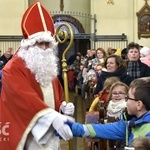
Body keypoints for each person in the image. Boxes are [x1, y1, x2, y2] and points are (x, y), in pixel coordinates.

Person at [0, 2, 75, 150]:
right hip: (28, 136)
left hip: (50, 134)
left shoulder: (46, 66)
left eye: (48, 43)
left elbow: (54, 96)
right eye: (40, 43)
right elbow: (25, 100)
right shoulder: (13, 68)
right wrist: (53, 117)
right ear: (28, 44)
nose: (44, 48)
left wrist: (62, 107)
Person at [69, 77, 150, 147]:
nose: (126, 101)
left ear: (139, 104)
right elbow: (103, 130)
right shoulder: (131, 122)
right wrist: (71, 127)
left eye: (128, 98)